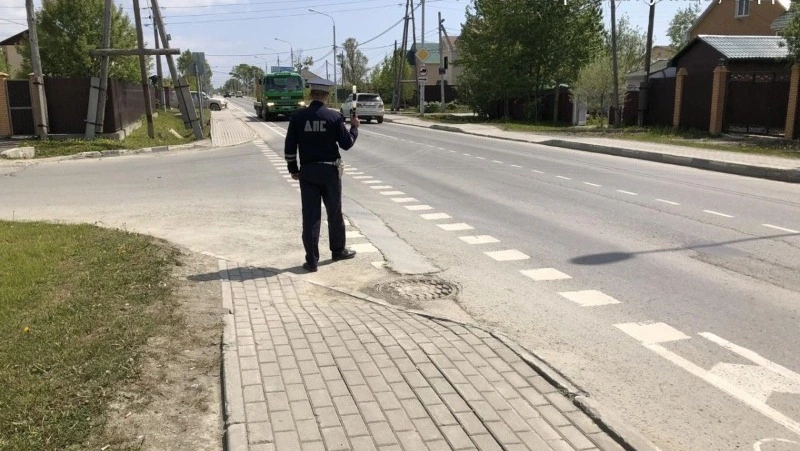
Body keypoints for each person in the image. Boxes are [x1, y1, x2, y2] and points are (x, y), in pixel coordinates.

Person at [284, 79, 361, 272]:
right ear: (327, 96)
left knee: (311, 216)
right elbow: (346, 144)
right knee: (334, 213)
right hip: (330, 172)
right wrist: (354, 127)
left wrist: (293, 169)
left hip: (308, 172)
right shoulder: (334, 117)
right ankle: (338, 250)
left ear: (311, 95)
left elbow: (290, 147)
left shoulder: (297, 117)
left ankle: (311, 261)